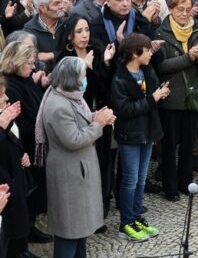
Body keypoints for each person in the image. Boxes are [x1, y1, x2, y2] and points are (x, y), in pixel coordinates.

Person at [36, 57, 116, 258]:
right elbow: (73, 139)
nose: (85, 80)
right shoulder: (59, 106)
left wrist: (96, 116)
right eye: (83, 76)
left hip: (77, 172)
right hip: (69, 175)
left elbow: (78, 122)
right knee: (69, 232)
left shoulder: (70, 97)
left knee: (79, 231)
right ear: (71, 78)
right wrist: (98, 124)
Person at [111, 32, 169, 242]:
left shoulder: (148, 71)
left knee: (141, 179)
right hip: (130, 135)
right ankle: (126, 223)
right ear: (135, 54)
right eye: (146, 50)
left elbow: (153, 98)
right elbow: (124, 109)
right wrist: (153, 98)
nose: (150, 53)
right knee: (130, 180)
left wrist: (161, 94)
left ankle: (136, 217)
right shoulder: (119, 79)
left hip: (148, 131)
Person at [155, 0, 198, 201]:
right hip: (171, 96)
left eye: (188, 10)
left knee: (189, 144)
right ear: (170, 9)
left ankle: (186, 182)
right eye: (180, 9)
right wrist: (188, 58)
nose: (185, 14)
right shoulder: (160, 32)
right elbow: (160, 66)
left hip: (192, 96)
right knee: (169, 146)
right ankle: (170, 187)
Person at [0, 41, 41, 256]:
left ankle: (27, 237)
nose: (33, 67)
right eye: (29, 62)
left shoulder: (25, 80)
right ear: (17, 61)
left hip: (24, 150)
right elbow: (16, 124)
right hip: (13, 157)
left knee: (27, 200)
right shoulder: (11, 86)